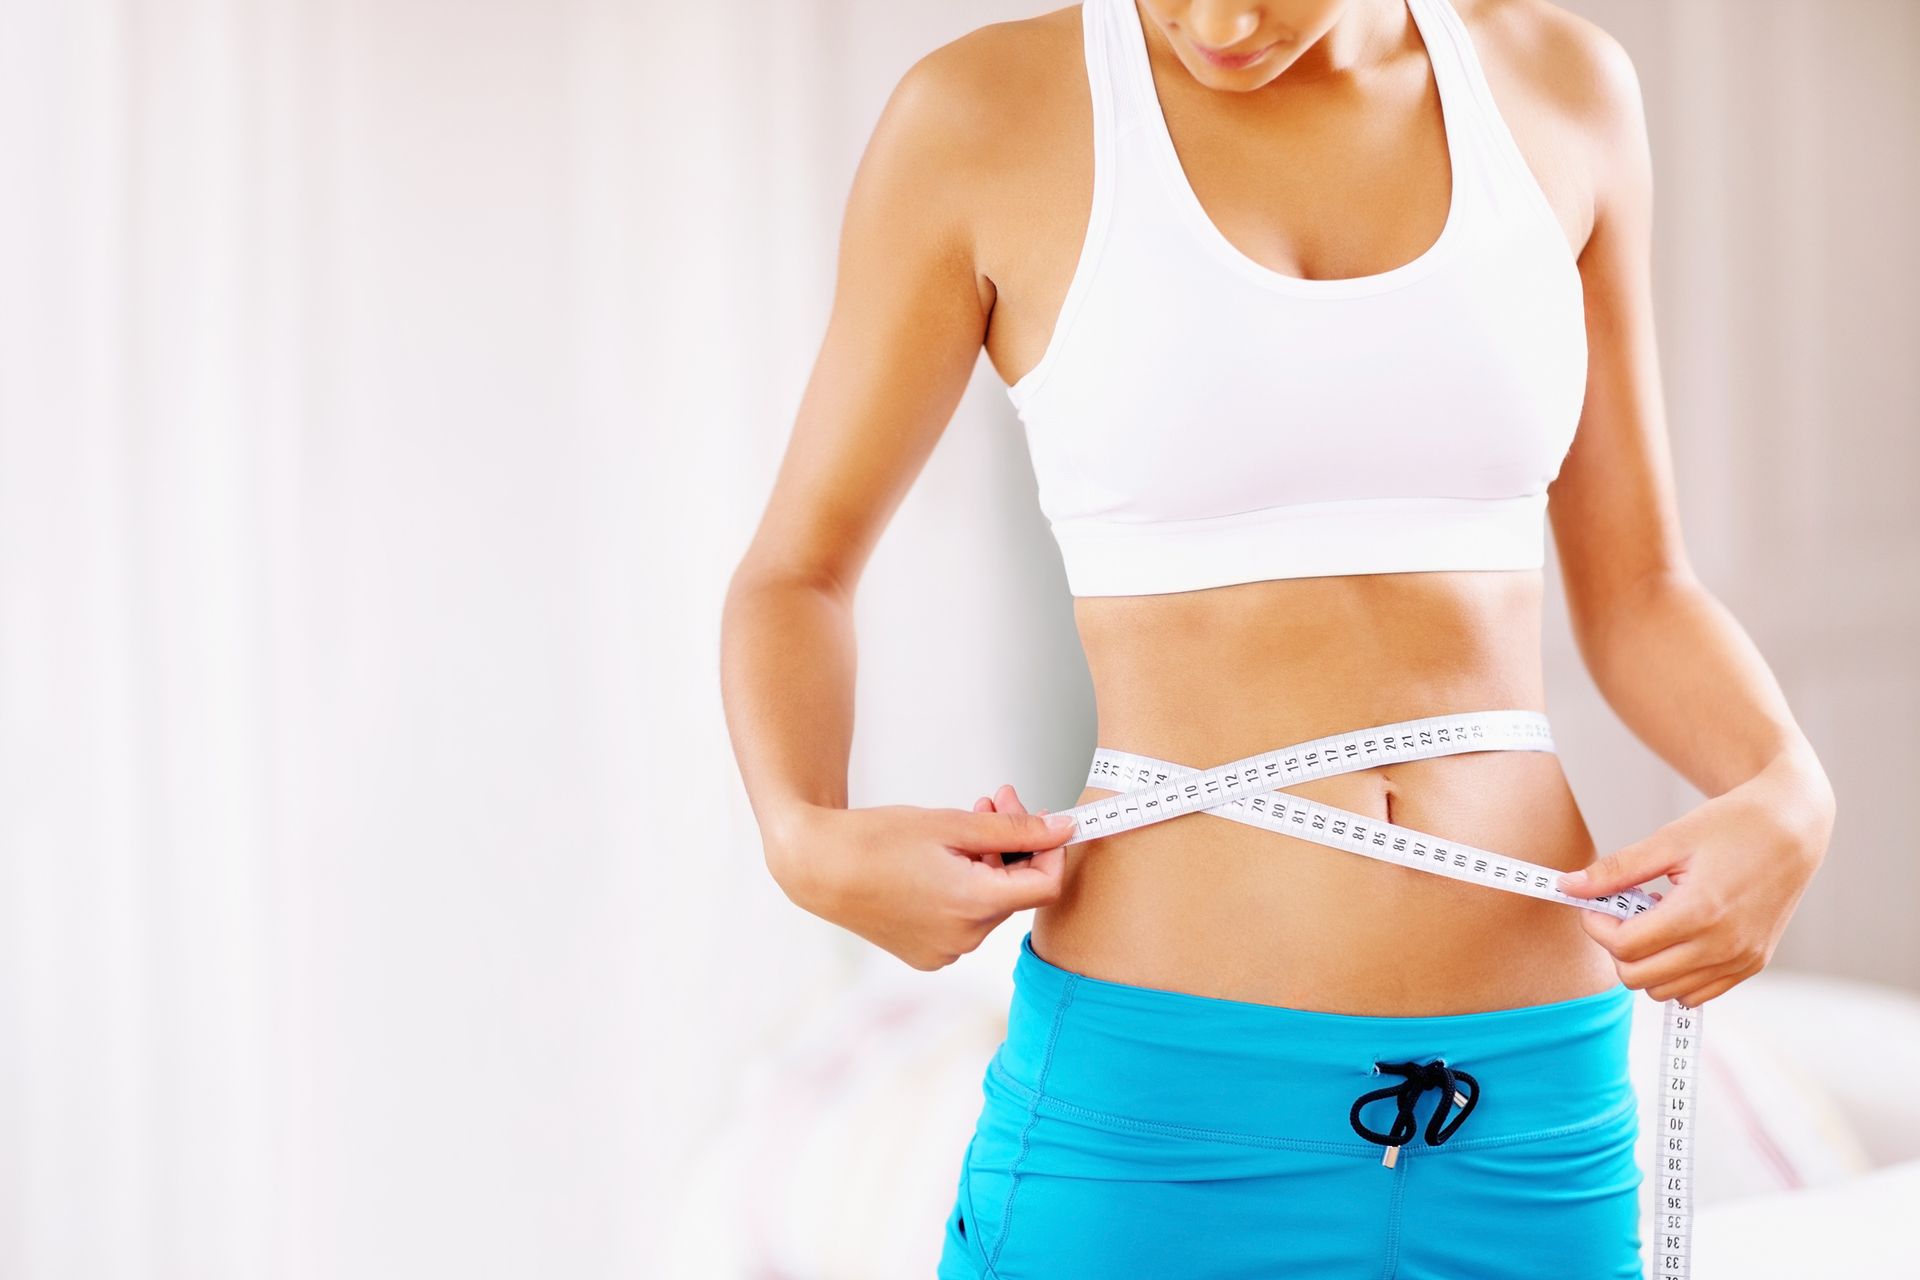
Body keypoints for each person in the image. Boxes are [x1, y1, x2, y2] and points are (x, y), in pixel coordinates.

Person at [719, 0, 1836, 1275]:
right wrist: (802, 834)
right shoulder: (981, 118)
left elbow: (1641, 588)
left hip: (1530, 1112)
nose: (1222, 20)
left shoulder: (1566, 88)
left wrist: (1788, 789)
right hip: (1155, 1117)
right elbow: (797, 571)